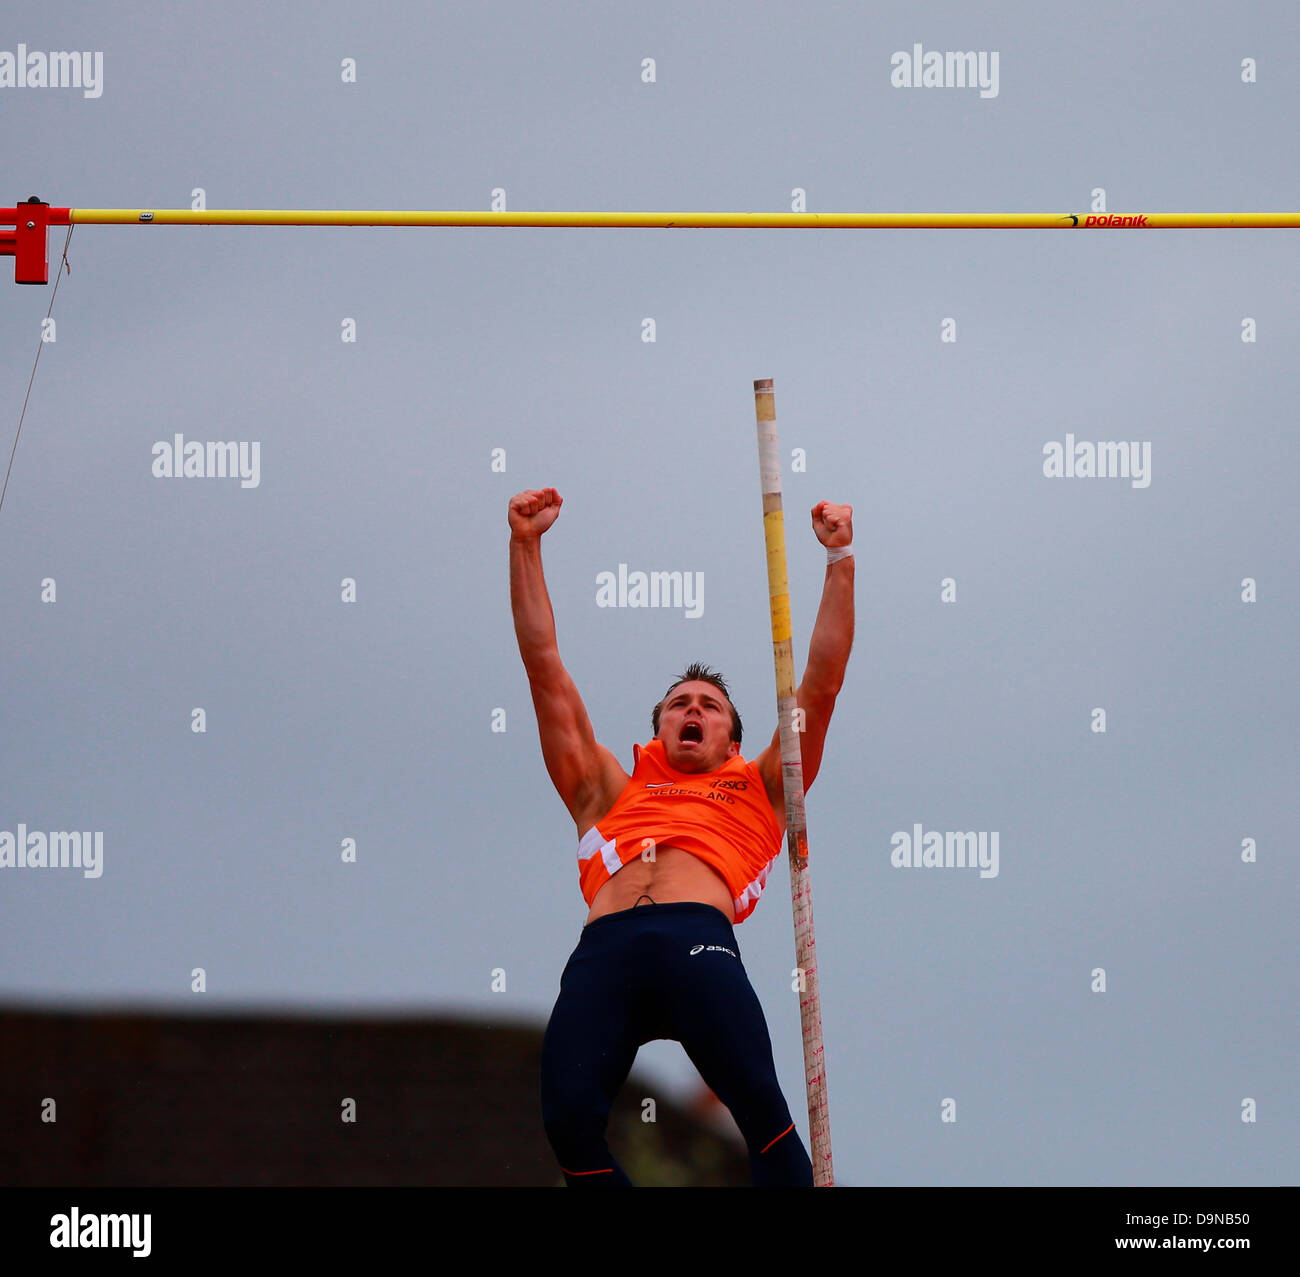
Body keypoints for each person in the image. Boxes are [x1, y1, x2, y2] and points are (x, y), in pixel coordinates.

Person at [508, 485, 854, 1186]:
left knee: (762, 1112)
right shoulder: (608, 786)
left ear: (731, 735)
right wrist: (525, 544)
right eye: (678, 704)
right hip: (604, 954)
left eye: (710, 706)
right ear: (659, 727)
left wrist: (840, 558)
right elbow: (544, 669)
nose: (692, 709)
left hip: (697, 945)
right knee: (568, 1121)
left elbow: (820, 684)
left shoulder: (763, 784)